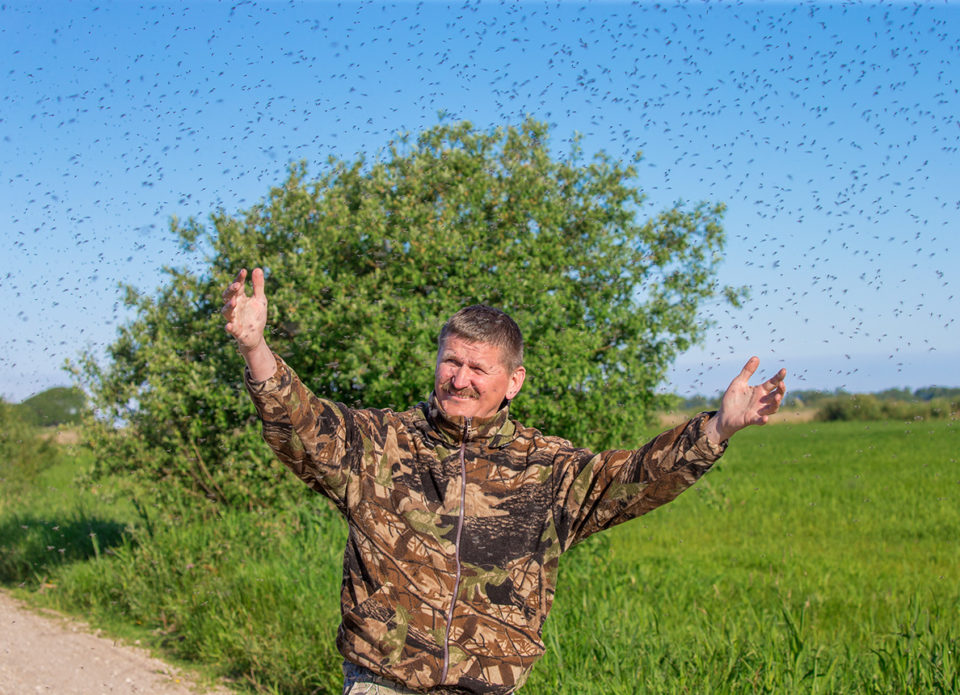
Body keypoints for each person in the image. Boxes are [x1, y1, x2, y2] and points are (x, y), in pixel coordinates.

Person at [222, 267, 786, 695]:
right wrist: (255, 347)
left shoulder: (550, 467)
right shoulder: (381, 441)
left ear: (513, 380)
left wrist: (717, 429)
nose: (459, 379)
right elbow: (300, 425)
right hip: (383, 681)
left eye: (477, 368)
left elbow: (637, 478)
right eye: (450, 361)